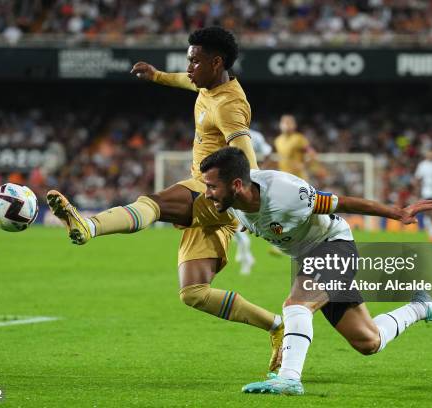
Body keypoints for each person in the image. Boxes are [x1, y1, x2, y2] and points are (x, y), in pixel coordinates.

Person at [46, 27, 284, 371]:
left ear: (216, 63)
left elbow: (247, 158)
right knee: (194, 294)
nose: (188, 68)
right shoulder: (207, 84)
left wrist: (251, 203)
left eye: (194, 61)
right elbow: (185, 82)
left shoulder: (230, 106)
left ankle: (89, 225)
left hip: (217, 193)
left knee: (154, 203)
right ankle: (277, 325)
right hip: (215, 199)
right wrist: (157, 75)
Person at [199, 147, 432, 395]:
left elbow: (344, 203)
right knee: (368, 341)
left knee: (297, 304)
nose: (208, 193)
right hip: (309, 259)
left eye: (212, 187)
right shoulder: (232, 198)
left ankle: (289, 378)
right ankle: (421, 307)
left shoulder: (287, 194)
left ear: (235, 185)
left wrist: (398, 213)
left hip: (334, 245)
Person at [233, 128, 273, 275]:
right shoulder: (256, 135)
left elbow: (268, 153)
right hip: (249, 180)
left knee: (233, 219)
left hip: (240, 182)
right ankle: (244, 251)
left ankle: (245, 250)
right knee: (234, 221)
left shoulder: (250, 135)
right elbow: (268, 152)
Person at [274, 114, 314, 180]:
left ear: (294, 125)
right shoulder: (278, 140)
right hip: (284, 176)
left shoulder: (299, 138)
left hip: (298, 177)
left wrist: (304, 165)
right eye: (284, 122)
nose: (286, 125)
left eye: (289, 122)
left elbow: (312, 154)